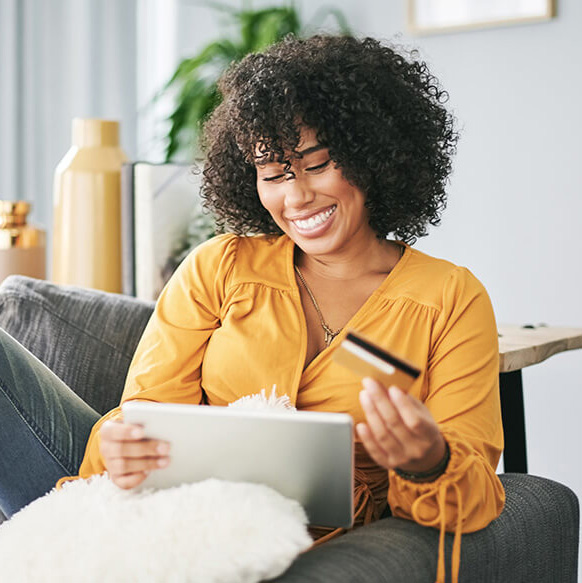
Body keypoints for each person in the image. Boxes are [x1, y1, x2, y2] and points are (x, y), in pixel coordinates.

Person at [0, 35, 504, 583]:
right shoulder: (220, 266)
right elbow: (143, 411)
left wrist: (427, 462)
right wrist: (121, 448)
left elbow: (474, 493)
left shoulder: (449, 298)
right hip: (168, 501)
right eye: (274, 173)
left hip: (286, 534)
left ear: (373, 158)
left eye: (316, 165)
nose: (297, 197)